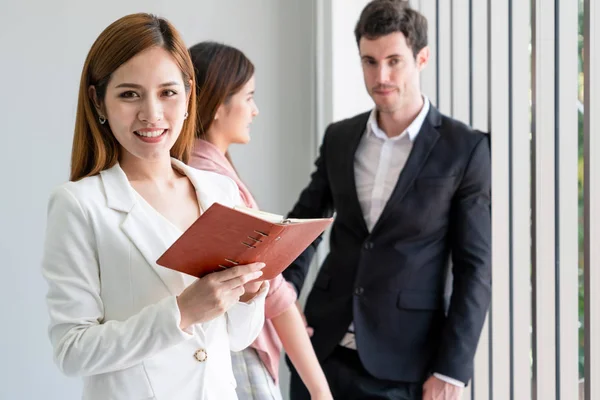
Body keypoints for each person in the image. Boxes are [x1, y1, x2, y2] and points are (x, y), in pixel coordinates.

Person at [41, 14, 270, 400]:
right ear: (99, 100)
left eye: (167, 92)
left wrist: (247, 296)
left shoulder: (220, 191)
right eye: (130, 94)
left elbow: (235, 339)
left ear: (188, 95)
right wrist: (181, 313)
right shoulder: (80, 206)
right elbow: (72, 351)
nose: (152, 114)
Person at [282, 1, 492, 399]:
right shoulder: (340, 137)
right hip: (321, 351)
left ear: (422, 58)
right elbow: (302, 225)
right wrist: (285, 296)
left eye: (394, 61)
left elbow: (474, 267)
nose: (381, 76)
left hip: (405, 364)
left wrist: (452, 369)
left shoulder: (464, 148)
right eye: (369, 61)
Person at [187, 41, 332, 400]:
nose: (256, 110)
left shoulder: (195, 170)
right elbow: (273, 293)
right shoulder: (212, 183)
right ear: (219, 105)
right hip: (236, 357)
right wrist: (320, 390)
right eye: (248, 97)